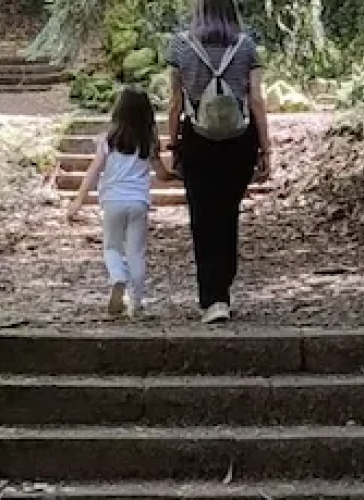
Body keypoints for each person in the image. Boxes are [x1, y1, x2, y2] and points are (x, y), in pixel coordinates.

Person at [166, 0, 272, 324]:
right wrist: (266, 148)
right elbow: (255, 100)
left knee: (203, 218)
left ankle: (213, 298)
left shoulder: (180, 47)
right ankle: (223, 288)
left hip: (197, 140)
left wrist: (173, 145)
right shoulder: (246, 46)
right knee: (228, 214)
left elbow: (174, 103)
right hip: (239, 142)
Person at [66, 86, 174, 318]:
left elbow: (93, 172)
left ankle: (117, 278)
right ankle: (136, 303)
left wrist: (78, 200)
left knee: (112, 247)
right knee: (136, 252)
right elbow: (163, 175)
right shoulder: (149, 142)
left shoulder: (108, 140)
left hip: (112, 202)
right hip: (138, 203)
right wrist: (180, 174)